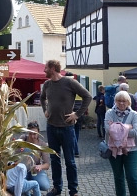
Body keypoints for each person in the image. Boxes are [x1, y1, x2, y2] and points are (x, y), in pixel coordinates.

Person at [40, 59, 92, 196]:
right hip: (51, 127)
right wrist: (45, 109)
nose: (44, 70)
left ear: (52, 68)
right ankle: (57, 188)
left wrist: (77, 114)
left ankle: (73, 191)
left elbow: (88, 96)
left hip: (67, 128)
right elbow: (42, 98)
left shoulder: (70, 82)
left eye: (46, 68)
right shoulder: (47, 84)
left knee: (70, 161)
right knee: (54, 160)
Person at [105, 91, 137, 196]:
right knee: (118, 177)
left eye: (124, 101)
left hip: (132, 149)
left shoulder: (134, 115)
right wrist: (127, 127)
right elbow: (108, 130)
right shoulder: (109, 113)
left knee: (132, 177)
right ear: (115, 101)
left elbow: (136, 132)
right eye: (119, 101)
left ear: (129, 102)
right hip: (114, 149)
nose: (121, 103)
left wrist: (116, 129)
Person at [18, 121, 51, 192]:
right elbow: (15, 155)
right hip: (23, 169)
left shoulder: (42, 144)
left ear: (38, 133)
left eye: (35, 134)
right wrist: (18, 149)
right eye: (30, 134)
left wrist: (40, 167)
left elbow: (47, 164)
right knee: (27, 149)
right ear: (27, 133)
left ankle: (30, 182)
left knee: (45, 186)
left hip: (35, 170)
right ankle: (28, 184)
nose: (32, 136)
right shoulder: (23, 139)